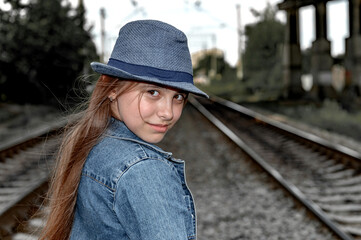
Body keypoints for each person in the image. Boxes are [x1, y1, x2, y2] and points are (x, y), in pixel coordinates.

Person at [39, 19, 208, 240]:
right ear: (113, 89)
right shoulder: (143, 170)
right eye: (153, 92)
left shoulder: (94, 142)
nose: (168, 112)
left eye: (178, 97)